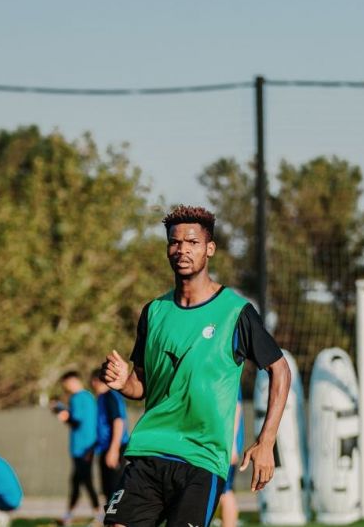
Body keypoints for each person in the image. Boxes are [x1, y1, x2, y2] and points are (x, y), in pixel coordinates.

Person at [102, 205, 291, 527]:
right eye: (175, 243)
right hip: (150, 449)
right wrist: (123, 383)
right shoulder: (154, 312)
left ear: (209, 248)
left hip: (202, 460)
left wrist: (266, 441)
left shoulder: (235, 312)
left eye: (192, 242)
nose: (182, 250)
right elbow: (141, 385)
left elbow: (280, 370)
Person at [54, 370, 101, 525]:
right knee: (77, 481)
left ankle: (98, 515)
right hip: (84, 447)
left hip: (83, 448)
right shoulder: (89, 397)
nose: (65, 388)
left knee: (85, 481)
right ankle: (69, 515)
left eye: (65, 384)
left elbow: (76, 421)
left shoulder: (78, 398)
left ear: (72, 381)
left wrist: (64, 416)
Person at [90, 368, 130, 505]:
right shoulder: (102, 398)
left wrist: (114, 449)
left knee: (114, 487)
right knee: (107, 488)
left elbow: (118, 421)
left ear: (95, 381)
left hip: (114, 446)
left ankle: (116, 516)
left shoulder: (110, 396)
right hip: (106, 447)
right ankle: (109, 516)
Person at [220, 388, 245, 527]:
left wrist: (233, 444)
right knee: (224, 491)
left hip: (226, 445)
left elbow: (236, 406)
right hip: (223, 444)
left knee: (225, 491)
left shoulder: (230, 377)